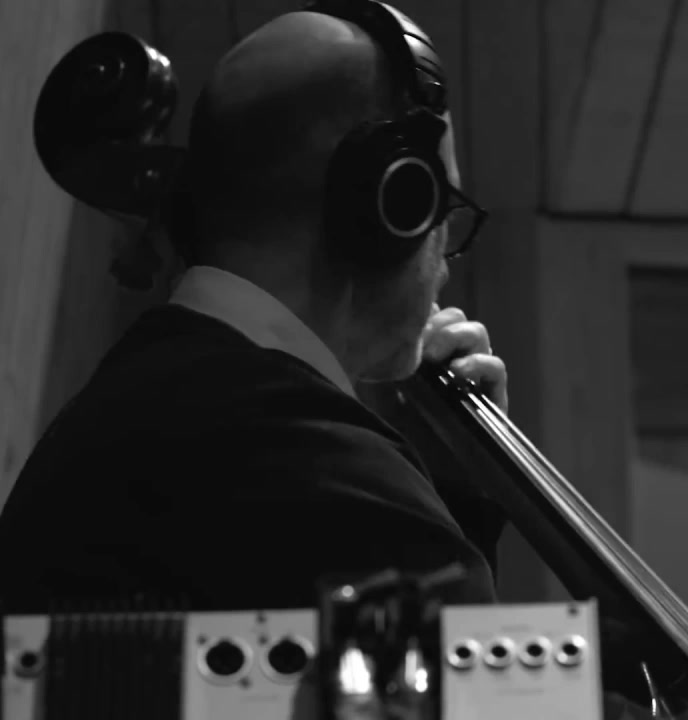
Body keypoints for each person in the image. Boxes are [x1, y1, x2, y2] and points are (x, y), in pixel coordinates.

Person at [0, 7, 506, 610]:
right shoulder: (299, 448)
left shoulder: (163, 396)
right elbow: (457, 653)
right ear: (391, 205)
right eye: (441, 205)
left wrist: (453, 493)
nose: (445, 259)